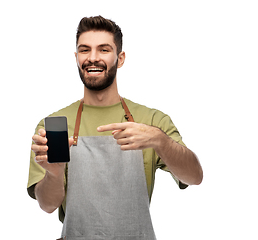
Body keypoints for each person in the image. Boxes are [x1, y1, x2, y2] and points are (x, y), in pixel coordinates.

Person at [28, 15, 203, 239]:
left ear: (120, 59)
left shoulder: (151, 120)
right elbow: (48, 205)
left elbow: (194, 177)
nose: (92, 58)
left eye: (103, 50)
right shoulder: (54, 125)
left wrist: (160, 140)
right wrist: (54, 173)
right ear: (76, 57)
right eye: (84, 50)